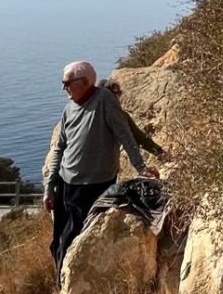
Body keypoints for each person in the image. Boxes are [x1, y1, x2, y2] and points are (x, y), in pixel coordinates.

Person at [44, 61, 158, 283]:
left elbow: (127, 135)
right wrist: (50, 187)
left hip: (92, 186)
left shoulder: (104, 101)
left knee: (74, 238)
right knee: (58, 238)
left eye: (67, 83)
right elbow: (59, 148)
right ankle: (61, 279)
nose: (64, 88)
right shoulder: (69, 108)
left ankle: (66, 283)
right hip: (65, 184)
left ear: (85, 82)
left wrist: (141, 167)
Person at [97, 78, 165, 159]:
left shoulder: (121, 115)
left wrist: (160, 152)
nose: (117, 97)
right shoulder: (92, 116)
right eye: (114, 94)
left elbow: (139, 137)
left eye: (119, 93)